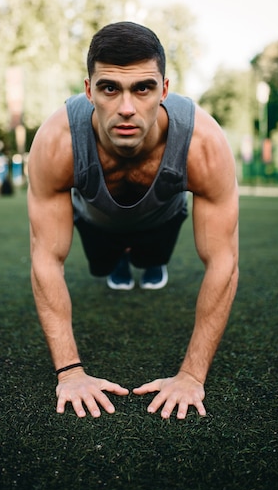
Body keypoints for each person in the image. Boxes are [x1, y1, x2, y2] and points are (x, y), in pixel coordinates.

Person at [27, 21, 239, 420]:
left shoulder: (203, 144)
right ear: (89, 90)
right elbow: (45, 259)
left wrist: (192, 376)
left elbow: (224, 262)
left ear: (164, 89)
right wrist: (70, 373)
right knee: (104, 267)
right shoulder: (57, 141)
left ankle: (143, 256)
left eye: (143, 88)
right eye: (110, 88)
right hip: (96, 220)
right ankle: (118, 258)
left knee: (150, 259)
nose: (127, 107)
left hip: (162, 218)